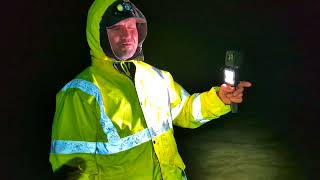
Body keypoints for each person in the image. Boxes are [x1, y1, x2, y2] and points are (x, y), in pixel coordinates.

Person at [49, 0, 252, 179]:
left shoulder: (156, 77)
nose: (128, 35)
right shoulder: (80, 93)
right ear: (99, 33)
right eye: (116, 28)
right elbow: (72, 169)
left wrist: (220, 98)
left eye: (132, 26)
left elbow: (186, 110)